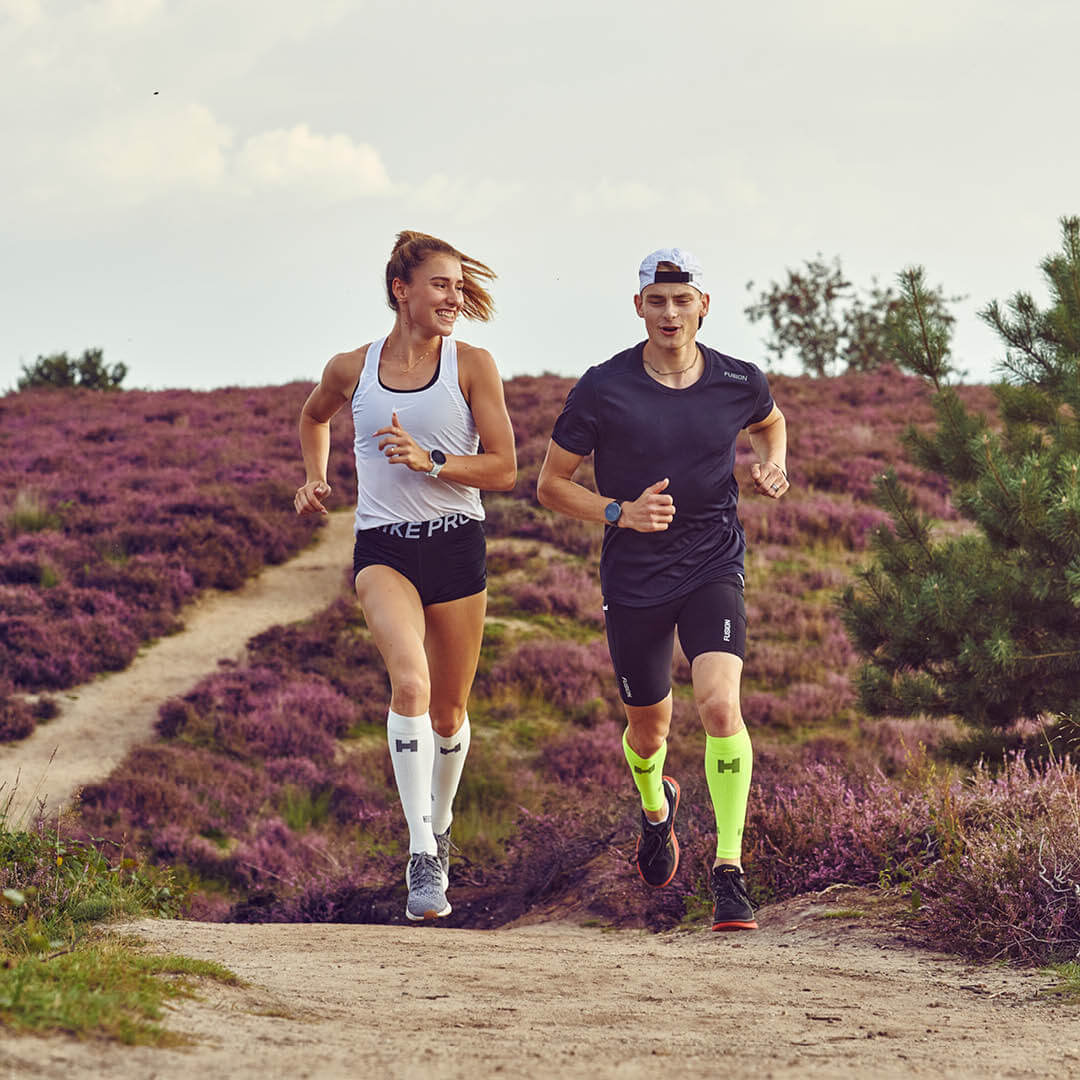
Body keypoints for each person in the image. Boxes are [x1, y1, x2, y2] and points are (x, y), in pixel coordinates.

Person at [536, 247, 788, 931]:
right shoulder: (602, 387)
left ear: (704, 305)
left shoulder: (739, 379)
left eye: (683, 300)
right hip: (636, 575)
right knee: (649, 730)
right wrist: (619, 511)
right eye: (658, 300)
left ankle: (729, 873)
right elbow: (550, 485)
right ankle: (657, 809)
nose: (670, 313)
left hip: (714, 563)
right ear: (639, 306)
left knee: (718, 704)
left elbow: (769, 422)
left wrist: (772, 464)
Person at [294, 230, 516, 922]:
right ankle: (421, 852)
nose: (454, 297)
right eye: (440, 285)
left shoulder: (473, 366)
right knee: (410, 683)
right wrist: (313, 476)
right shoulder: (350, 368)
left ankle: (440, 824)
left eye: (457, 286)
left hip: (456, 548)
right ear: (402, 290)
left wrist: (433, 461)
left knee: (450, 711)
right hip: (384, 549)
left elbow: (506, 468)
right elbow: (313, 416)